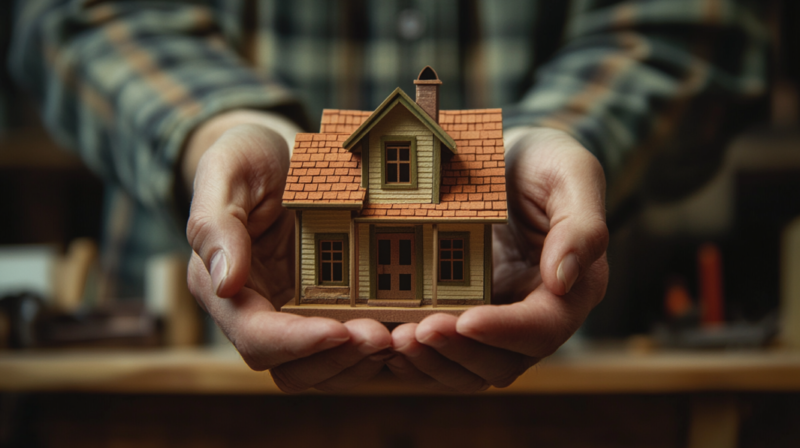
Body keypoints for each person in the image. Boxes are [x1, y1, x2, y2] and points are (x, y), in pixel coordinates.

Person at [9, 0, 768, 392]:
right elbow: (68, 15)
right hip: (178, 389)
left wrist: (551, 150)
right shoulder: (330, 192)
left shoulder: (457, 181)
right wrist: (219, 129)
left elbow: (694, 26)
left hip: (580, 384)